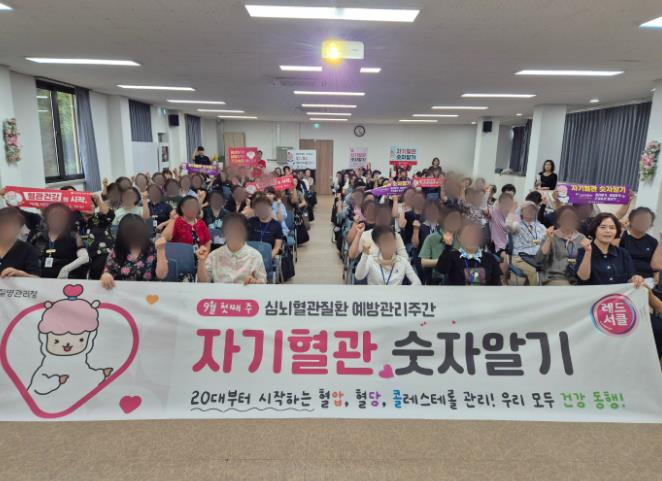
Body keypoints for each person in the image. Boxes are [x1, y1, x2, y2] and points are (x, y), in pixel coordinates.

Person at [196, 213, 267, 284]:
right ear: (224, 233)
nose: (234, 233)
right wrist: (201, 262)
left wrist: (254, 282)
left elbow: (263, 283)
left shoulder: (255, 256)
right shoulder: (214, 255)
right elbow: (202, 284)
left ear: (246, 233)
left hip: (245, 290)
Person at [100, 214, 168, 288]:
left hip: (149, 292)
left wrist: (161, 250)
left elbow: (161, 275)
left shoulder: (153, 247)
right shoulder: (116, 250)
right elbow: (107, 272)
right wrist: (106, 276)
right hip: (122, 291)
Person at [576, 213, 643, 287]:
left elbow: (630, 278)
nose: (608, 231)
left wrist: (635, 279)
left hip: (617, 294)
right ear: (594, 229)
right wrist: (588, 252)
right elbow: (583, 278)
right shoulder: (583, 251)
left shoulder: (623, 253)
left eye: (612, 228)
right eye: (603, 227)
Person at [30, 203, 89, 279]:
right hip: (40, 280)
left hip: (65, 281)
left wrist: (65, 270)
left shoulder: (73, 236)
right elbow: (28, 257)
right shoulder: (38, 237)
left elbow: (85, 257)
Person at [436, 222, 502, 286]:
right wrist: (448, 247)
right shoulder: (452, 256)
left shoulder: (489, 258)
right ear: (459, 238)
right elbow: (441, 269)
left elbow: (497, 284)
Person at [536, 205, 585, 286]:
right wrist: (548, 239)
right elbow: (539, 260)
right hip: (556, 277)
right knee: (567, 287)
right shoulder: (551, 236)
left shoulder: (582, 238)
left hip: (577, 276)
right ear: (558, 220)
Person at [355, 226, 421, 286]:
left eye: (391, 240)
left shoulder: (403, 261)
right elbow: (358, 276)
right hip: (375, 294)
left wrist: (403, 292)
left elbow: (417, 282)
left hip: (396, 295)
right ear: (378, 244)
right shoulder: (371, 259)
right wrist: (365, 255)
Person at [507, 200, 547, 285]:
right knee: (534, 271)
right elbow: (508, 225)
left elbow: (548, 240)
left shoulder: (541, 227)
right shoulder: (517, 225)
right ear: (521, 212)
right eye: (527, 209)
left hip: (537, 258)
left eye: (533, 210)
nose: (530, 211)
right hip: (520, 258)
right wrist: (512, 211)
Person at [419, 206, 462, 284]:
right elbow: (423, 262)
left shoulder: (461, 239)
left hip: (457, 279)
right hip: (438, 280)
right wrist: (443, 262)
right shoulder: (432, 238)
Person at [78, 194, 115, 280]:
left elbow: (110, 215)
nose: (90, 206)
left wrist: (98, 200)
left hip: (102, 255)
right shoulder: (77, 222)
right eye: (86, 204)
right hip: (81, 258)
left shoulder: (98, 218)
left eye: (92, 204)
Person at [618, 207, 658, 286]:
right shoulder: (621, 236)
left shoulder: (653, 241)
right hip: (625, 280)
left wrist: (656, 276)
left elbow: (655, 267)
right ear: (631, 220)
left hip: (647, 280)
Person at [0, 207, 40, 278]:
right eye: (3, 223)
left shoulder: (28, 250)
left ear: (19, 228)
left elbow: (36, 278)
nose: (6, 228)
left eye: (12, 224)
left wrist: (21, 274)